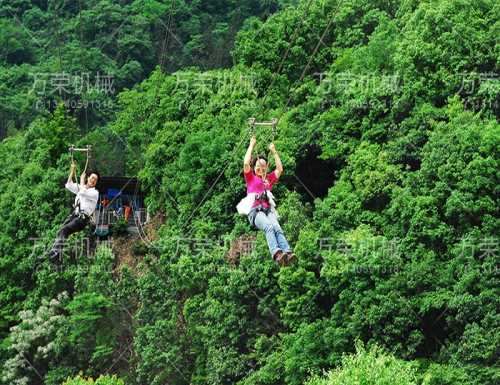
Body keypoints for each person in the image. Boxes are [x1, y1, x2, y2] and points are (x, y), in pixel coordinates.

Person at [238, 135, 296, 266]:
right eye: (258, 167)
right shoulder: (251, 178)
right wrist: (251, 145)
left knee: (277, 227)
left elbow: (280, 169)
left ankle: (287, 252)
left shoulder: (268, 179)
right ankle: (276, 253)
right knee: (269, 227)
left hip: (267, 209)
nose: (261, 169)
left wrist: (274, 151)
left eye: (263, 167)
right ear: (255, 169)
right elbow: (246, 163)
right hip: (255, 211)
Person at [47, 161, 100, 261]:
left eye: (95, 180)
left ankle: (56, 252)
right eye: (92, 178)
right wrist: (72, 170)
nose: (93, 180)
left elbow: (83, 193)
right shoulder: (81, 188)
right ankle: (56, 254)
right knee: (61, 231)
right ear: (88, 178)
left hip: (82, 220)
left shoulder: (94, 193)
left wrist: (81, 180)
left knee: (64, 230)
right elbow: (68, 185)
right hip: (75, 216)